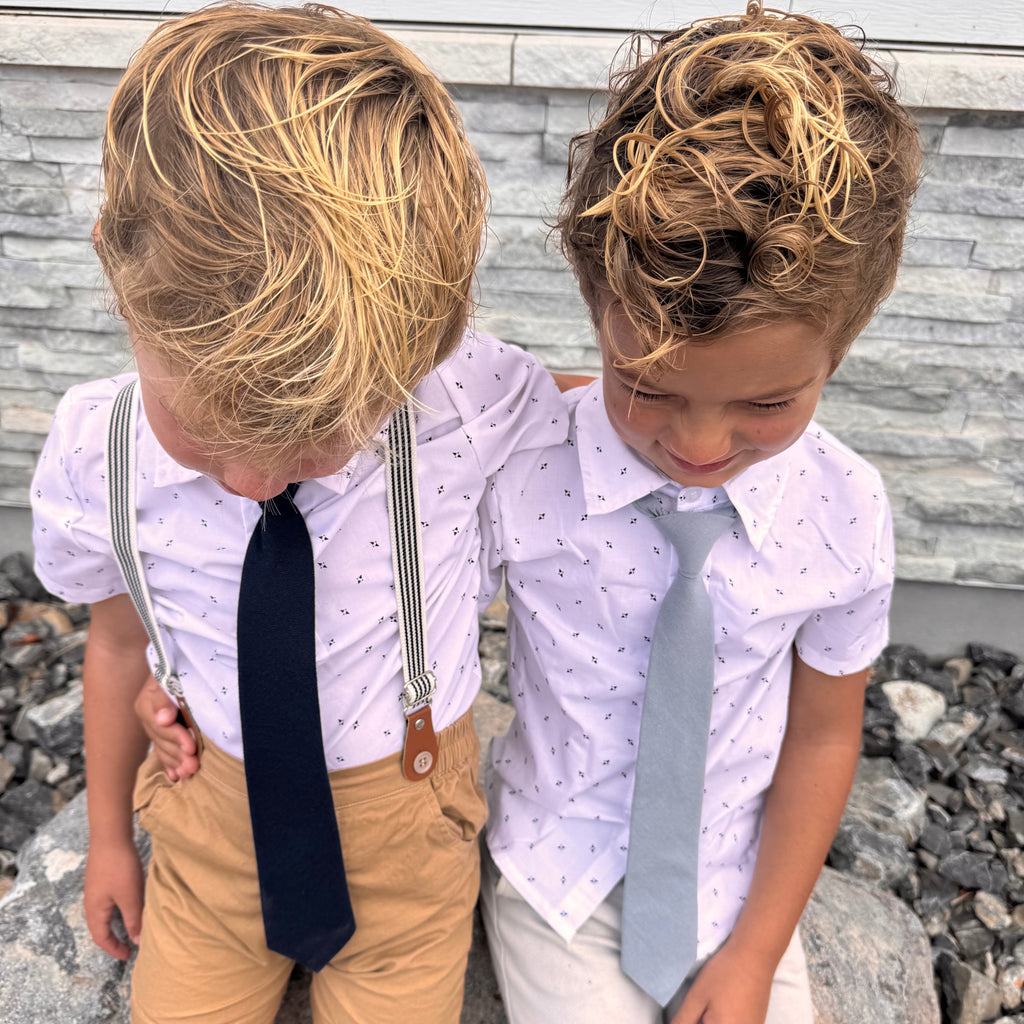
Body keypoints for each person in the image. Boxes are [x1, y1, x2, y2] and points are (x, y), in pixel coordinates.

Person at [29, 5, 565, 1023]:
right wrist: (108, 832)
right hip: (209, 851)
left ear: (426, 351)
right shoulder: (95, 451)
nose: (253, 483)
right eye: (205, 427)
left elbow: (615, 410)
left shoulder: (469, 401)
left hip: (406, 851)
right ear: (119, 275)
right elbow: (113, 642)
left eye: (320, 438)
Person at [476, 5, 921, 1024]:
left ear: (839, 349)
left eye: (767, 403)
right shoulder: (520, 458)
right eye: (649, 388)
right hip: (559, 879)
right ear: (598, 309)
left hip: (735, 891)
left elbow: (819, 739)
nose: (701, 446)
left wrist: (760, 949)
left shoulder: (844, 511)